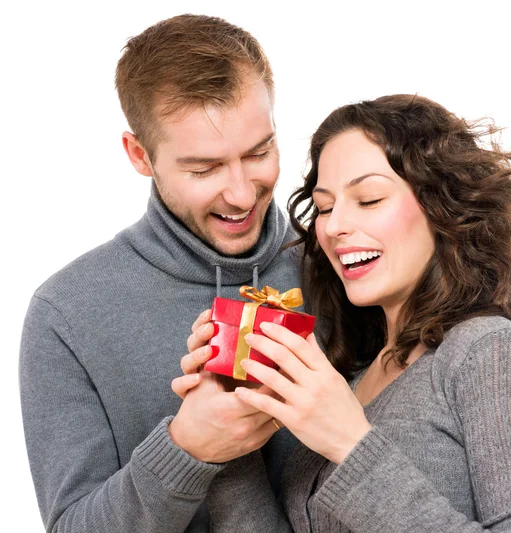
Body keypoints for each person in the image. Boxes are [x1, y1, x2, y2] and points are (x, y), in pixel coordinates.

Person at [175, 94, 511, 532]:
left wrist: (350, 443)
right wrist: (231, 431)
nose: (334, 225)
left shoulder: (486, 349)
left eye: (370, 198)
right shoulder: (358, 372)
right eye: (324, 207)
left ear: (442, 206)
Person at [19, 14, 303, 533]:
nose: (242, 193)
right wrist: (185, 449)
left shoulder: (345, 266)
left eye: (259, 152)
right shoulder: (66, 312)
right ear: (139, 155)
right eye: (204, 169)